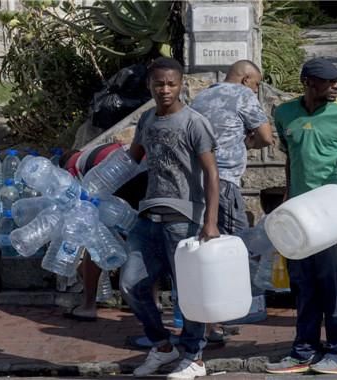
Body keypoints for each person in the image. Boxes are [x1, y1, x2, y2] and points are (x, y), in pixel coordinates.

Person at [265, 58, 337, 375]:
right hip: (300, 219)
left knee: (335, 289)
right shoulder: (284, 113)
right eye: (329, 81)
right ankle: (303, 352)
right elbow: (292, 157)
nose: (336, 86)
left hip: (334, 217)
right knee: (303, 287)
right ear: (307, 82)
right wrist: (289, 195)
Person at [119, 57, 220, 380]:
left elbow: (211, 173)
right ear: (149, 85)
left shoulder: (194, 122)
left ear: (181, 85)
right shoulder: (147, 119)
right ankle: (164, 346)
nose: (164, 89)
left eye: (171, 84)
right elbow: (131, 160)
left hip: (183, 217)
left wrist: (211, 221)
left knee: (187, 291)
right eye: (158, 83)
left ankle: (195, 357)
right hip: (148, 215)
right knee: (131, 283)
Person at [190, 59, 274, 337]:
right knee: (234, 247)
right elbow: (266, 137)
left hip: (195, 183)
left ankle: (210, 319)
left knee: (208, 248)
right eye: (257, 84)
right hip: (224, 183)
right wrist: (248, 142)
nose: (257, 89)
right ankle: (230, 313)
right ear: (246, 79)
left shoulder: (201, 96)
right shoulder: (242, 94)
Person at [59, 143, 148, 321]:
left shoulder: (72, 166)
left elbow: (77, 207)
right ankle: (148, 302)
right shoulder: (96, 152)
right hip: (146, 170)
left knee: (96, 238)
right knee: (143, 235)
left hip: (120, 177)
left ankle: (88, 306)